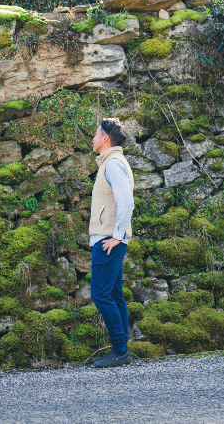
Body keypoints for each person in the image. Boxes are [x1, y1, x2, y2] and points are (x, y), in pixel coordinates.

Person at [89, 118, 135, 368]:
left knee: (101, 294)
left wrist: (117, 236)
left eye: (96, 134)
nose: (93, 138)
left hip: (108, 240)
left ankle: (119, 351)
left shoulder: (113, 164)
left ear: (106, 137)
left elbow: (126, 201)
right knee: (114, 294)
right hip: (110, 237)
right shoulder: (111, 163)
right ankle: (121, 350)